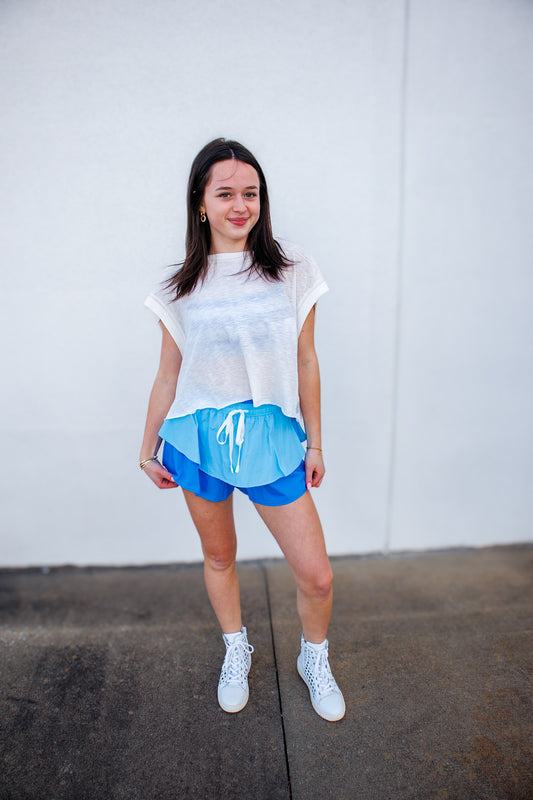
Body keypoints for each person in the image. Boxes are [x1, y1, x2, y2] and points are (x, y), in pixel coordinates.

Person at [139, 138, 345, 722]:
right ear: (200, 203)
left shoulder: (293, 267)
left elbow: (307, 360)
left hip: (270, 435)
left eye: (250, 193)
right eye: (225, 192)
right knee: (220, 557)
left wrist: (316, 439)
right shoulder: (181, 286)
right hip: (198, 440)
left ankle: (314, 656)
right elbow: (167, 374)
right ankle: (236, 648)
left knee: (317, 576)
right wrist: (146, 448)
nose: (240, 204)